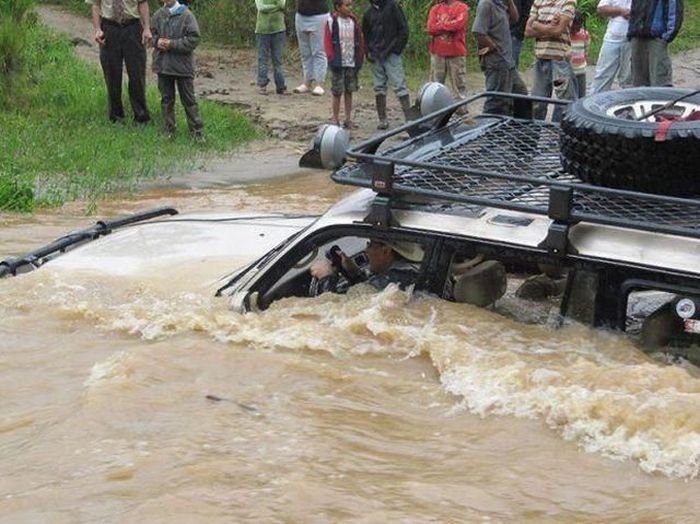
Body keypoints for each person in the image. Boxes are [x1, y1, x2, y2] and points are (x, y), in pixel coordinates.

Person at [89, 0, 151, 124]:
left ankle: (141, 116)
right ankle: (116, 116)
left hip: (132, 28)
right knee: (111, 74)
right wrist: (97, 29)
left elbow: (143, 3)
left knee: (136, 73)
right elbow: (96, 5)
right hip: (109, 28)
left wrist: (147, 28)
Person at [150, 0, 204, 141]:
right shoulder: (157, 15)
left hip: (183, 68)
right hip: (163, 66)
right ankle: (168, 131)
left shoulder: (187, 15)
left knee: (189, 100)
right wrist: (157, 42)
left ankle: (197, 132)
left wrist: (172, 44)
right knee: (166, 100)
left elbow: (194, 38)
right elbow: (151, 35)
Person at [362, 0, 412, 130]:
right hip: (376, 54)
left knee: (399, 85)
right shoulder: (368, 13)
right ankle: (382, 119)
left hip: (391, 53)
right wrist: (368, 51)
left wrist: (396, 49)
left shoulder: (393, 7)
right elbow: (366, 34)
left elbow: (403, 29)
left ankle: (409, 118)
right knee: (379, 86)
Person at [524, 0, 578, 121]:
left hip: (559, 60)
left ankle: (560, 136)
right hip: (540, 58)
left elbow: (557, 31)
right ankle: (534, 137)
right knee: (537, 103)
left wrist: (537, 25)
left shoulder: (569, 2)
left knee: (565, 103)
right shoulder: (538, 1)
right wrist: (549, 27)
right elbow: (527, 31)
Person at [309, 239, 422, 294]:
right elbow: (369, 294)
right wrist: (355, 274)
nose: (366, 250)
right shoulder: (407, 274)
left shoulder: (390, 283)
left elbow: (333, 312)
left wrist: (326, 278)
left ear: (385, 250)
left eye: (370, 244)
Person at [471, 0, 521, 115]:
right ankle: (487, 130)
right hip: (497, 61)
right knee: (496, 102)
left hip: (508, 62)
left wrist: (510, 2)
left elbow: (515, 19)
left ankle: (517, 128)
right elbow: (478, 31)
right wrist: (493, 46)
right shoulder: (486, 4)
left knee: (520, 96)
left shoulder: (499, 4)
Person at [324, 0, 364, 128]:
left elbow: (359, 39)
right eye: (347, 5)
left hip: (351, 61)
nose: (350, 8)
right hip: (338, 62)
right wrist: (331, 57)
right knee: (337, 91)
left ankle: (348, 119)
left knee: (349, 90)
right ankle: (335, 119)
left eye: (351, 5)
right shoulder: (331, 22)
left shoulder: (354, 22)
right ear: (338, 7)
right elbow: (328, 41)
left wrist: (360, 56)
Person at [627, 0, 683, 87]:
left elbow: (674, 11)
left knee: (659, 79)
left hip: (656, 39)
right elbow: (633, 10)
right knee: (637, 82)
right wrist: (631, 31)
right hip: (637, 36)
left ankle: (661, 100)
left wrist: (666, 37)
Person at [426, 0, 470, 103]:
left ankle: (461, 109)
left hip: (456, 53)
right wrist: (448, 26)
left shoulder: (462, 8)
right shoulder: (435, 9)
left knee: (459, 84)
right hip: (437, 53)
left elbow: (458, 25)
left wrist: (440, 26)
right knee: (435, 85)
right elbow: (430, 28)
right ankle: (435, 108)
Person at [589, 0, 632, 94]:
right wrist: (621, 11)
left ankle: (629, 105)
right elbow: (601, 9)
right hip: (613, 37)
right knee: (603, 74)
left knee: (629, 78)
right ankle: (594, 103)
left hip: (634, 38)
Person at [294, 0, 330, 96]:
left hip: (319, 15)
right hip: (301, 15)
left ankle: (319, 84)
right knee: (305, 52)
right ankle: (307, 82)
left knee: (319, 51)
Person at [255, 0, 288, 95]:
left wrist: (269, 7)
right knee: (262, 59)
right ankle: (262, 85)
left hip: (278, 29)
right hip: (262, 29)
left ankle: (280, 86)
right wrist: (276, 7)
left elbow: (282, 4)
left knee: (278, 60)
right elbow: (261, 7)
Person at [569, 11, 591, 98]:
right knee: (568, 96)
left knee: (581, 96)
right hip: (567, 72)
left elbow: (586, 51)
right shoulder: (564, 35)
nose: (575, 31)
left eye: (577, 29)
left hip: (580, 71)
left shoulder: (585, 35)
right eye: (572, 29)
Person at [510, 0, 532, 68]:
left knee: (511, 66)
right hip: (501, 33)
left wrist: (518, 32)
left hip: (514, 34)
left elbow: (527, 13)